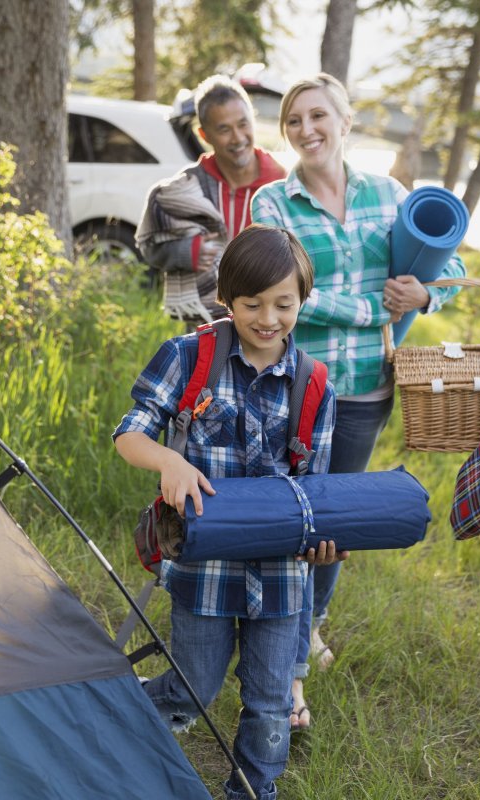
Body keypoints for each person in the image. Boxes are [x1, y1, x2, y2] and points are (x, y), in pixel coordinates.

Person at [251, 72, 464, 730]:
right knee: (292, 523)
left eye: (319, 116)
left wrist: (426, 297)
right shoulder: (272, 204)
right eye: (294, 120)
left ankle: (308, 625)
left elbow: (449, 266)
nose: (307, 129)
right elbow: (285, 291)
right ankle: (285, 679)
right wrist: (375, 307)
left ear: (345, 122)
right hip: (293, 388)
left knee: (335, 529)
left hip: (367, 390)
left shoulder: (387, 193)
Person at [113, 225, 344, 800]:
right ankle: (116, 718)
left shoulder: (314, 384)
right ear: (225, 297)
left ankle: (252, 790)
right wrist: (168, 459)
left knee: (269, 704)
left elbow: (316, 488)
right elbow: (130, 433)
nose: (269, 318)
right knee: (193, 689)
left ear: (301, 301)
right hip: (205, 571)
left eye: (283, 304)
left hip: (282, 575)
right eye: (252, 304)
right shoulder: (190, 357)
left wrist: (324, 540)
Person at [136, 75, 287, 325]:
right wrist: (186, 252)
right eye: (224, 129)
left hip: (269, 323)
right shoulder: (186, 188)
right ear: (204, 135)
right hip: (206, 324)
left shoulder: (281, 182)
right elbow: (149, 246)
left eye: (243, 124)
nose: (238, 137)